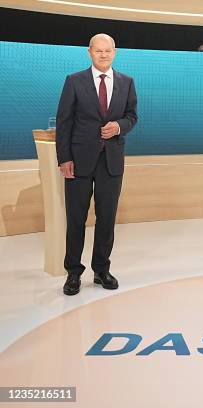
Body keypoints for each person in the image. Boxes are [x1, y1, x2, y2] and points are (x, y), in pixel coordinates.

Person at [56, 33, 138, 295]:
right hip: (79, 162)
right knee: (76, 219)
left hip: (111, 162)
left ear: (115, 52)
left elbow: (132, 116)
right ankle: (73, 273)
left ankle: (101, 270)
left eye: (108, 51)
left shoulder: (127, 82)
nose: (103, 55)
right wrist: (64, 158)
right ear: (89, 52)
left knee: (106, 219)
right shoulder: (74, 81)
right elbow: (64, 122)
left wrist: (119, 126)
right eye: (98, 51)